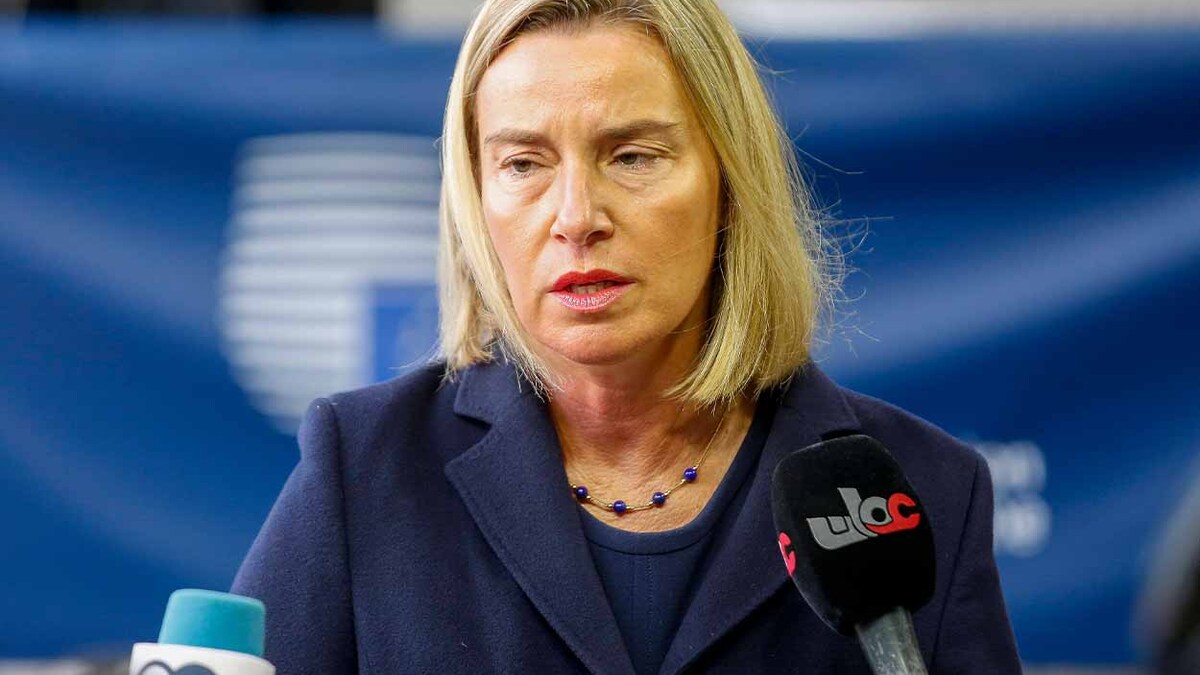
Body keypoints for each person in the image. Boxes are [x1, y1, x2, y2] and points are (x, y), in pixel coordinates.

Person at [231, 0, 1022, 672]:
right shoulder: (365, 468)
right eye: (524, 164)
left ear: (730, 183)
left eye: (633, 156)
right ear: (474, 200)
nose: (576, 217)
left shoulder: (928, 489)